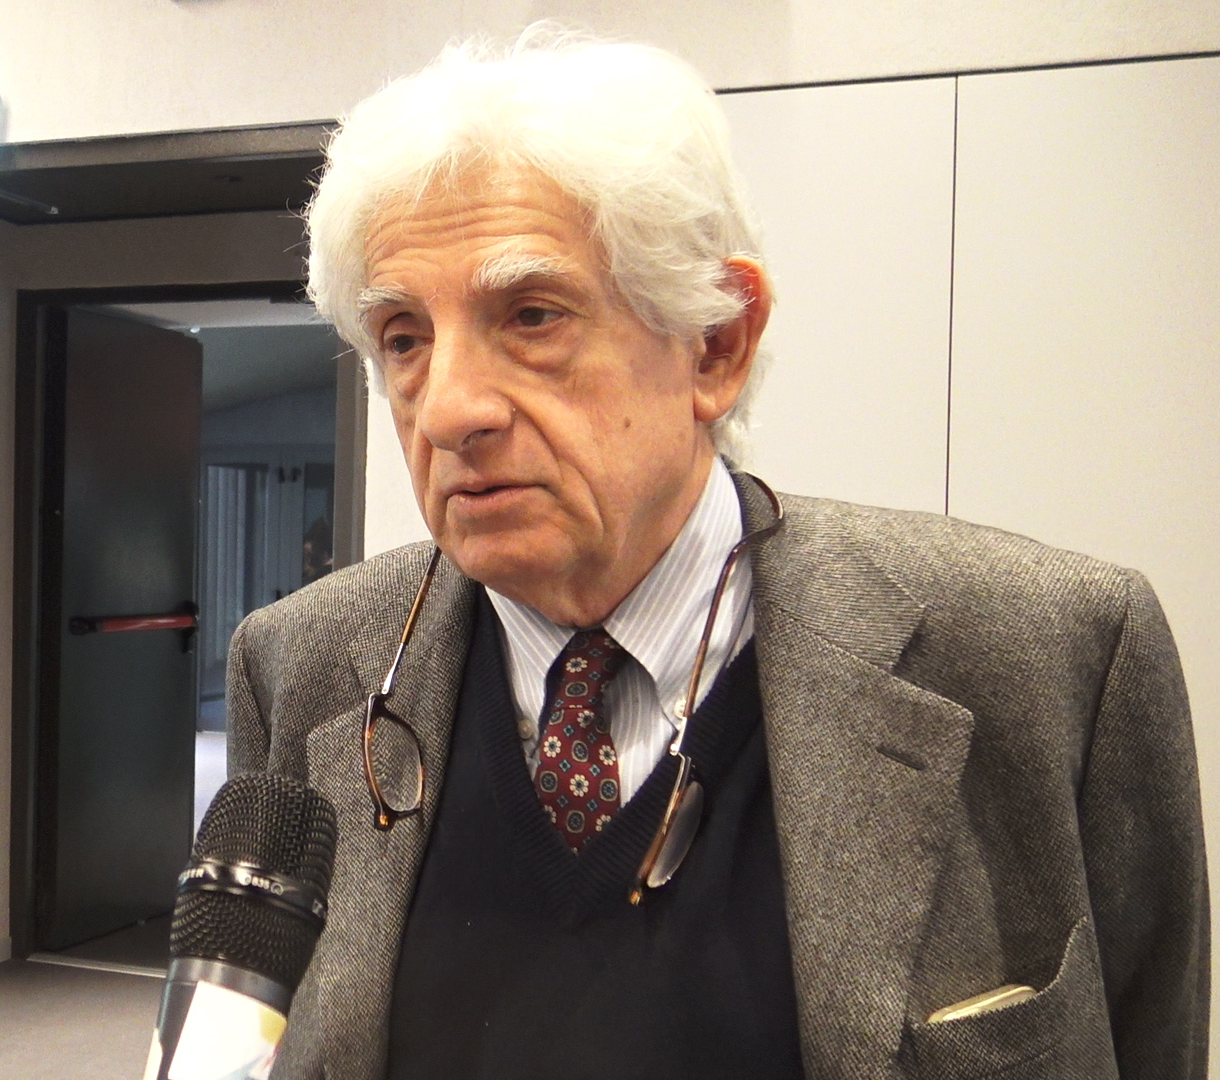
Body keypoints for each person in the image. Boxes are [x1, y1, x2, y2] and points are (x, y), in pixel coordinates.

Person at [226, 30, 1207, 1080]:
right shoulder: (302, 667)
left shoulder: (1045, 658)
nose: (448, 409)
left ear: (717, 343)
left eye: (532, 316)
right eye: (404, 337)